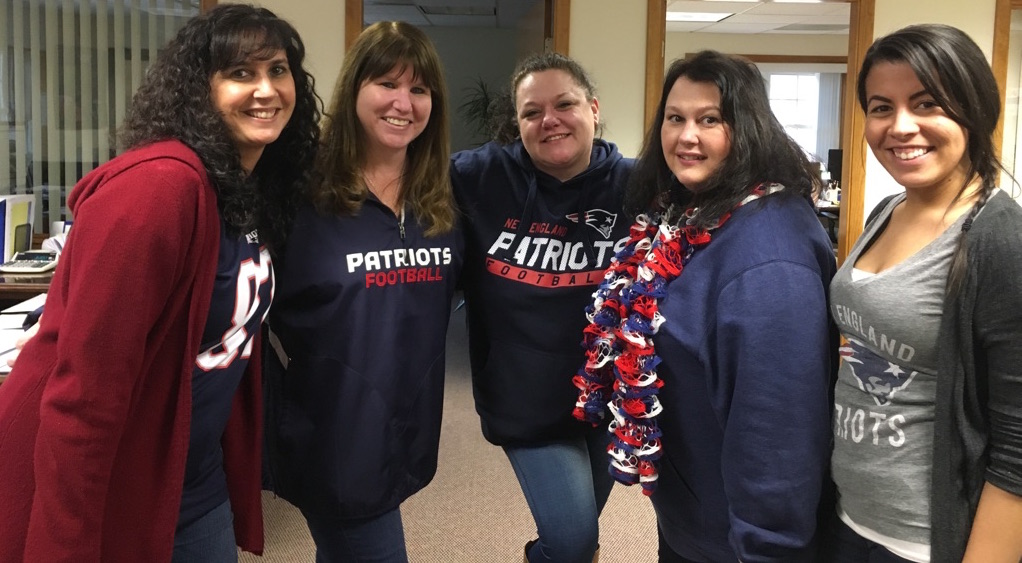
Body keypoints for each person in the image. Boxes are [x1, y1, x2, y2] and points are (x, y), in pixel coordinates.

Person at [0, 4, 320, 562]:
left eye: (278, 69)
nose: (266, 90)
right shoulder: (158, 190)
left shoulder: (249, 188)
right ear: (198, 89)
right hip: (107, 477)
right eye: (240, 73)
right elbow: (83, 400)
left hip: (190, 476)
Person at [574, 50, 837, 562]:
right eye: (676, 118)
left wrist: (766, 548)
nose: (686, 136)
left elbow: (777, 436)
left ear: (749, 127)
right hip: (694, 512)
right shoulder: (692, 215)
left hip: (737, 542)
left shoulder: (770, 258)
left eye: (710, 119)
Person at [821, 24, 1022, 563]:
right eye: (881, 107)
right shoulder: (887, 211)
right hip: (849, 516)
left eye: (927, 103)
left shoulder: (1000, 240)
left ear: (975, 107)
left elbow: (1018, 446)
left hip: (923, 542)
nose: (899, 126)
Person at [263, 21, 462, 563]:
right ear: (355, 90)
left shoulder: (441, 200)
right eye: (386, 84)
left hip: (406, 430)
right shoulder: (297, 194)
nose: (403, 102)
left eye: (419, 89)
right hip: (330, 438)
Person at [450, 52, 632, 562]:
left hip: (607, 399)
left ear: (593, 109)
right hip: (525, 401)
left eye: (565, 104)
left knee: (579, 537)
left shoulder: (637, 185)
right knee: (572, 540)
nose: (549, 120)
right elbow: (401, 172)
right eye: (532, 112)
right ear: (519, 123)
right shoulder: (478, 177)